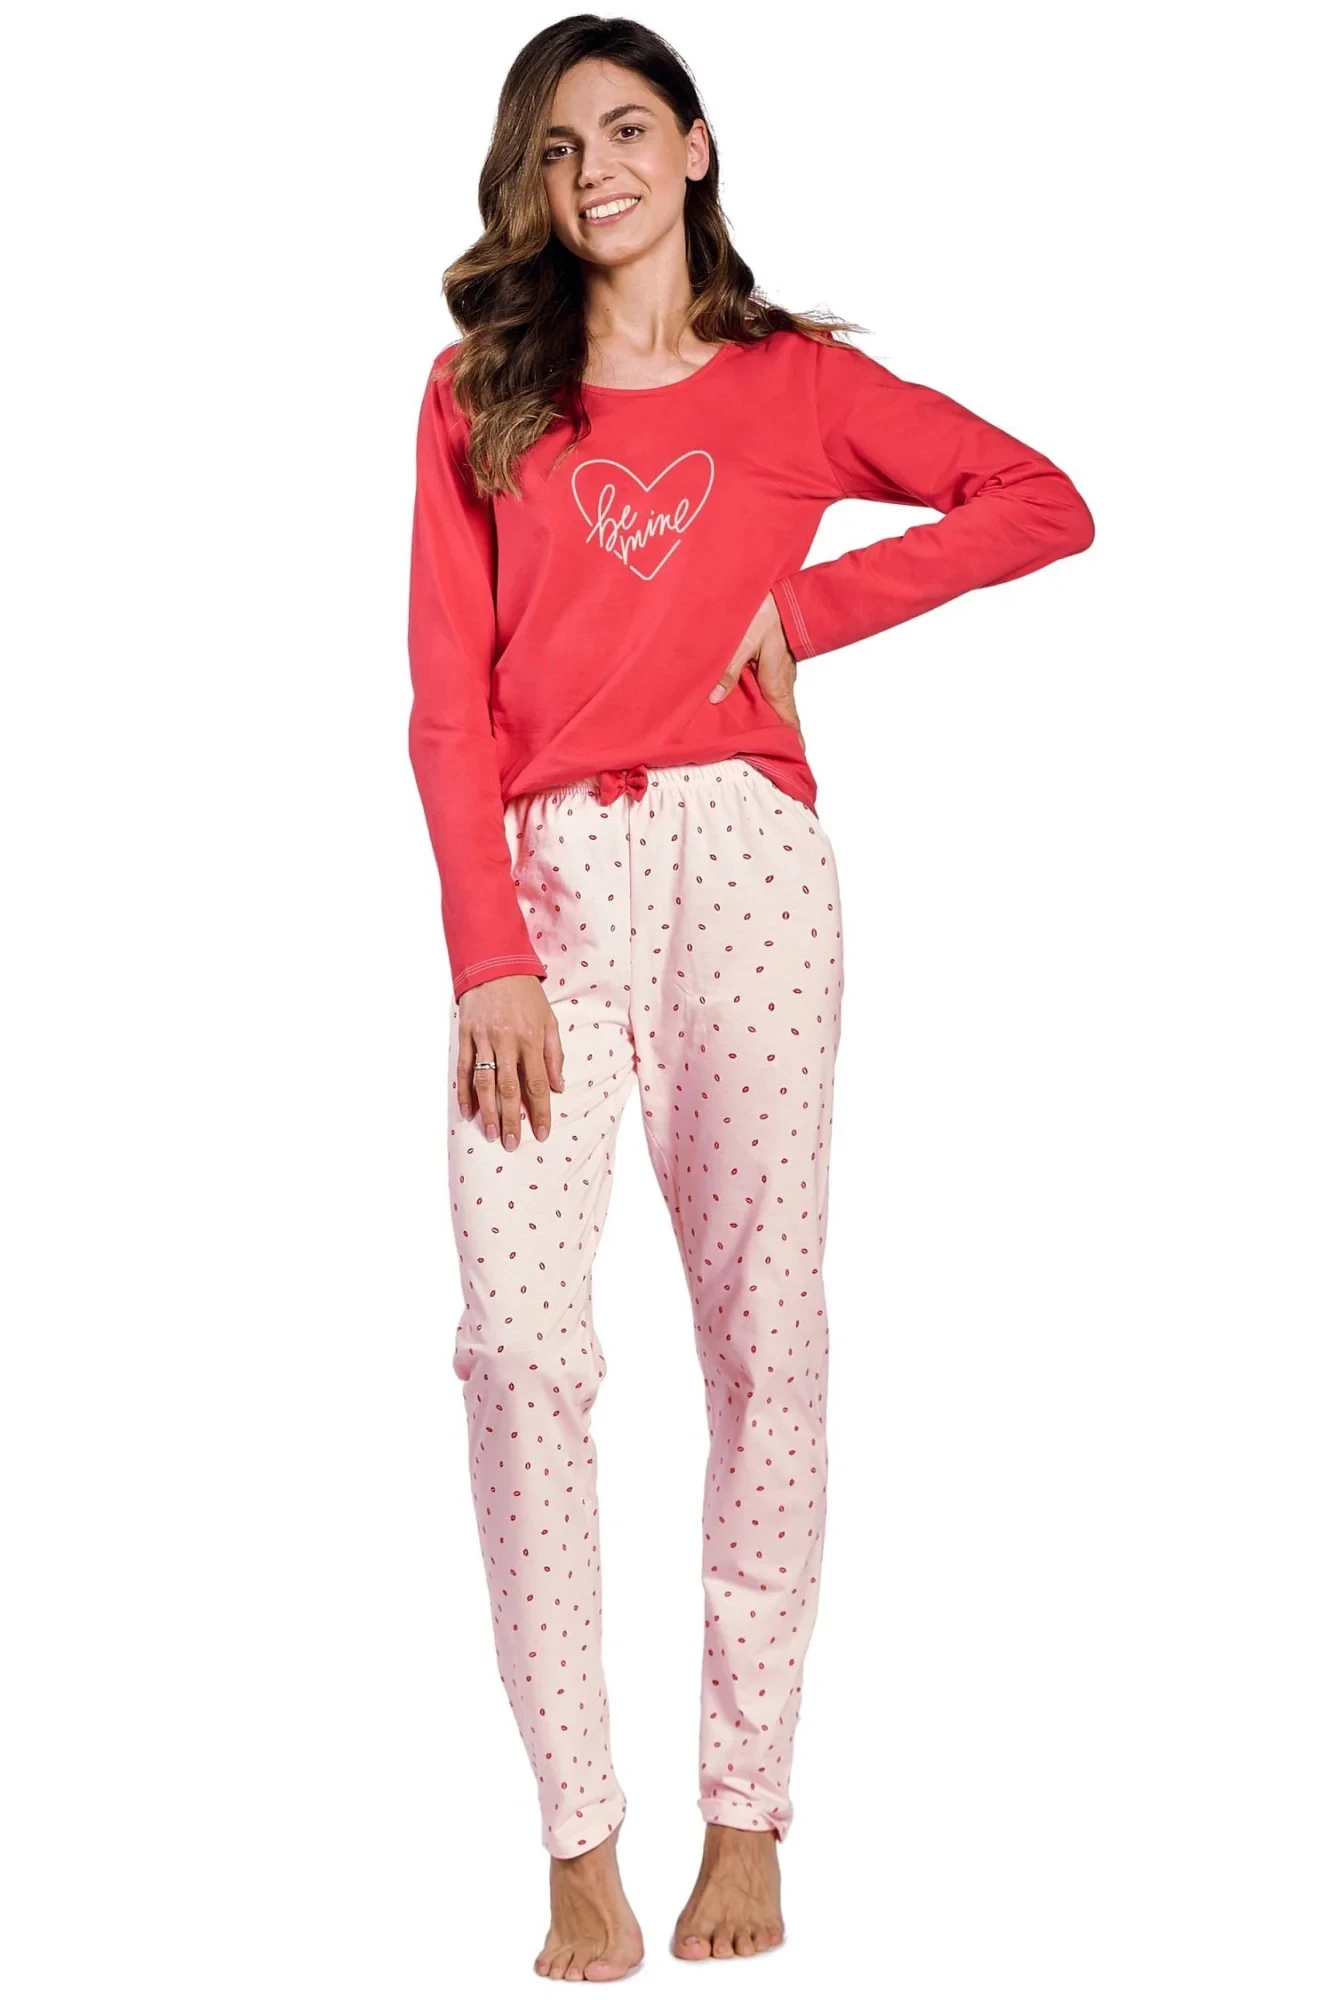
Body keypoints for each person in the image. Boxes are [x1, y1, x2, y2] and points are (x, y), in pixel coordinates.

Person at [406, 15, 1093, 1980]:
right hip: (546, 883)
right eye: (555, 149)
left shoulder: (796, 383)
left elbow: (1040, 496)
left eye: (626, 130)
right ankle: (576, 1834)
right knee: (519, 1350)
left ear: (696, 149)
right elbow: (446, 701)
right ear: (529, 184)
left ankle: (745, 1812)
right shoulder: (479, 395)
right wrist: (489, 952)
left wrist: (812, 607)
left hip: (749, 872)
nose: (593, 172)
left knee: (764, 1337)